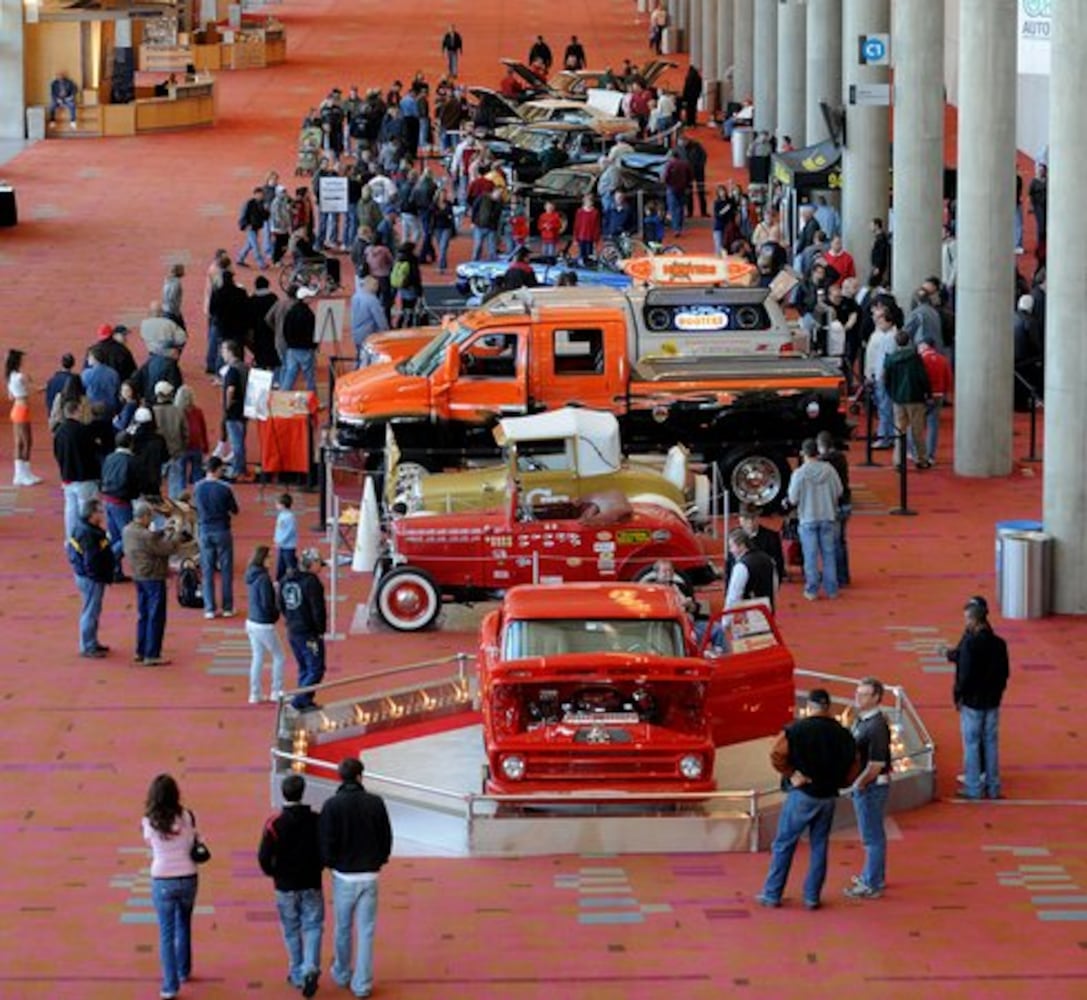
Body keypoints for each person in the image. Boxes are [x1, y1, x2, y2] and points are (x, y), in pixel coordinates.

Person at [756, 689, 859, 910]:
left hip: (802, 794)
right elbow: (854, 766)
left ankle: (772, 894)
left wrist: (792, 774)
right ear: (828, 707)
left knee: (784, 843)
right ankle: (812, 896)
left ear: (810, 706)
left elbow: (776, 753)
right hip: (828, 797)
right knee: (819, 845)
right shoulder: (843, 734)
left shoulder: (796, 730)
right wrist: (839, 784)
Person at [319, 757, 393, 1000]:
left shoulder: (332, 805)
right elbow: (386, 837)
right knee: (367, 930)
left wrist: (332, 864)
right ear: (361, 776)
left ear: (340, 777)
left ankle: (341, 972)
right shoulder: (376, 803)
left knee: (343, 927)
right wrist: (379, 860)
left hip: (344, 876)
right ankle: (362, 984)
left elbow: (326, 841)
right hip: (370, 875)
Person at [259, 773, 324, 997]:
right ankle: (311, 967)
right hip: (311, 881)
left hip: (285, 885)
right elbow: (324, 848)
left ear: (283, 793)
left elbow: (264, 857)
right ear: (303, 792)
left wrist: (273, 873)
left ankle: (296, 971)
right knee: (314, 925)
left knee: (291, 929)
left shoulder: (274, 823)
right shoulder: (316, 819)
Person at [142, 773, 201, 1000]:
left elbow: (150, 842)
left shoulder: (150, 821)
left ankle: (170, 986)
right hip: (188, 876)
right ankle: (184, 969)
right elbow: (192, 840)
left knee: (166, 933)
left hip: (162, 878)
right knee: (184, 924)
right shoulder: (187, 816)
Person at [945, 596, 1010, 800]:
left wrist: (958, 695)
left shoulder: (970, 645)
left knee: (972, 743)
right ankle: (993, 786)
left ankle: (973, 786)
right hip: (992, 700)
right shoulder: (999, 644)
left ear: (973, 620)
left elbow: (964, 674)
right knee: (991, 742)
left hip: (973, 701)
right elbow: (1005, 673)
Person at [843, 676, 893, 900]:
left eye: (864, 694)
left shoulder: (876, 727)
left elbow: (876, 765)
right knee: (874, 835)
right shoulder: (864, 720)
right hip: (868, 785)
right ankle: (874, 876)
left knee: (871, 837)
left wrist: (858, 785)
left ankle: (871, 883)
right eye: (857, 693)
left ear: (876, 698)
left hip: (871, 788)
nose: (858, 697)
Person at [123, 498, 181, 665]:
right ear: (146, 516)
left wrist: (163, 531)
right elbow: (166, 548)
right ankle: (152, 653)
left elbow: (150, 540)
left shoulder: (128, 530)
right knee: (156, 616)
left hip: (138, 575)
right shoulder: (146, 535)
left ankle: (141, 650)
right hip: (153, 576)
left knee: (144, 614)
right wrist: (175, 534)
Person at [787, 438, 842, 601]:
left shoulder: (800, 473)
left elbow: (792, 498)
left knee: (810, 556)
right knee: (829, 555)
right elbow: (839, 491)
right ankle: (832, 590)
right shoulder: (829, 470)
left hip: (808, 518)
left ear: (803, 453)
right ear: (817, 452)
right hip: (827, 516)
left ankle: (812, 590)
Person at [279, 548, 327, 711]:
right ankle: (298, 701)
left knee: (304, 667)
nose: (321, 568)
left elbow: (281, 604)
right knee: (316, 668)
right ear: (312, 564)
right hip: (308, 632)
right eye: (319, 564)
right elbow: (317, 609)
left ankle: (304, 700)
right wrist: (320, 629)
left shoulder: (286, 579)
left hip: (293, 629)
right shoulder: (312, 583)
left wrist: (291, 619)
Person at [66, 497, 115, 658]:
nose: (102, 514)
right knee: (91, 610)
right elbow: (91, 559)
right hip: (91, 578)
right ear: (92, 514)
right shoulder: (90, 534)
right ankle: (87, 645)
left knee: (92, 609)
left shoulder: (81, 528)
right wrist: (97, 576)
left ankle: (91, 642)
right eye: (99, 511)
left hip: (85, 575)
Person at [193, 456, 239, 619]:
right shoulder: (225, 488)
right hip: (222, 530)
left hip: (205, 530)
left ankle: (209, 608)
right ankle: (227, 606)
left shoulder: (197, 487)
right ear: (218, 469)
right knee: (226, 570)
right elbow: (234, 509)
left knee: (207, 570)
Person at [53, 396, 102, 540]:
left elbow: (57, 453)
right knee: (86, 509)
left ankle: (70, 539)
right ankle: (85, 538)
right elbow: (94, 451)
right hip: (85, 477)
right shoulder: (83, 431)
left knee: (70, 510)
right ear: (76, 411)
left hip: (67, 476)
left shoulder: (59, 432)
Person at [883, 329, 931, 471]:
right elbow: (922, 377)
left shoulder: (890, 359)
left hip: (898, 399)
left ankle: (898, 461)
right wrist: (927, 393)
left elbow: (886, 379)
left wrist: (892, 394)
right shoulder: (915, 358)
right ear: (909, 341)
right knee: (917, 431)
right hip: (915, 398)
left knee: (899, 430)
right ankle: (921, 459)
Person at [245, 545, 286, 704]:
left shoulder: (251, 574)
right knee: (279, 656)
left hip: (251, 622)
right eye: (269, 557)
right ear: (262, 559)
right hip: (264, 623)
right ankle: (276, 690)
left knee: (258, 657)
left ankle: (254, 693)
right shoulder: (264, 579)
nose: (272, 560)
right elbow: (267, 603)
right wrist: (275, 614)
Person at [815, 431, 851, 586]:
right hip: (845, 503)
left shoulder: (824, 463)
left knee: (833, 543)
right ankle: (843, 574)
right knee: (840, 542)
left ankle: (838, 577)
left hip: (833, 505)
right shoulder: (841, 458)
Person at [6, 350, 44, 487]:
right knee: (27, 442)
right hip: (22, 410)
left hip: (16, 408)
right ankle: (25, 474)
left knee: (19, 442)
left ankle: (20, 474)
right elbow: (36, 389)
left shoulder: (10, 376)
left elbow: (11, 396)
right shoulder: (22, 376)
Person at [724, 527, 778, 611]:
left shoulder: (741, 566)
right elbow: (774, 587)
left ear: (742, 545)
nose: (730, 550)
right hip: (767, 610)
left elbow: (733, 596)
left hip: (748, 613)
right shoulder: (768, 559)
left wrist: (725, 621)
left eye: (732, 546)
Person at [918, 337, 952, 463]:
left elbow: (919, 378)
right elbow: (948, 378)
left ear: (924, 345)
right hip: (939, 395)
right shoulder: (943, 359)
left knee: (917, 425)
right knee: (933, 425)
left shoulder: (921, 360)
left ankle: (917, 453)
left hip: (924, 396)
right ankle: (930, 454)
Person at [220, 340, 249, 480]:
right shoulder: (244, 367)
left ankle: (238, 469)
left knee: (236, 442)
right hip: (245, 408)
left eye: (224, 350)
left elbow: (230, 389)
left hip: (234, 410)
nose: (222, 353)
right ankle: (240, 466)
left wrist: (227, 405)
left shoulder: (232, 370)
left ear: (230, 352)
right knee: (240, 440)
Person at [281, 288, 318, 392]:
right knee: (309, 377)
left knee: (290, 374)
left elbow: (285, 330)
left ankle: (282, 398)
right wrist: (313, 345)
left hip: (292, 349)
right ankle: (313, 399)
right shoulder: (308, 314)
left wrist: (289, 343)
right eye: (309, 296)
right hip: (305, 349)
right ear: (304, 298)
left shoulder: (291, 311)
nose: (311, 298)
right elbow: (312, 332)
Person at [237, 186, 270, 269]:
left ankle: (240, 258)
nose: (261, 196)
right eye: (259, 194)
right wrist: (244, 225)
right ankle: (261, 264)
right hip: (250, 227)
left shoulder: (262, 204)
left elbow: (266, 217)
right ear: (255, 194)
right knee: (255, 246)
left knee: (249, 245)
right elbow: (243, 215)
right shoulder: (249, 203)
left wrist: (266, 211)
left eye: (262, 194)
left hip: (256, 227)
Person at [275, 492, 299, 582]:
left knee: (290, 563)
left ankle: (296, 577)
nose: (276, 506)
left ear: (283, 505)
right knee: (281, 563)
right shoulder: (281, 515)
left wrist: (281, 540)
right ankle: (279, 579)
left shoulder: (290, 517)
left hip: (288, 545)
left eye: (278, 504)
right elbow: (279, 529)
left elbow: (289, 531)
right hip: (282, 544)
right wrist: (276, 539)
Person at [163, 263, 187, 331]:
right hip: (172, 312)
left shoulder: (167, 280)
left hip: (166, 310)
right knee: (180, 333)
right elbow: (171, 298)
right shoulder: (176, 283)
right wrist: (176, 313)